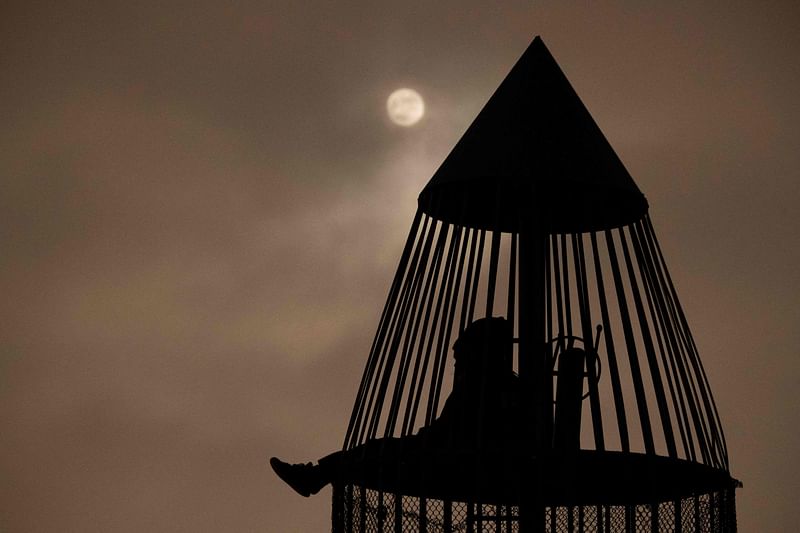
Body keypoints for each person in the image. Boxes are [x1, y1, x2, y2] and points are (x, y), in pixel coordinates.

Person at [270, 317, 521, 497]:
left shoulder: (478, 389)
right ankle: (315, 475)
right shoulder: (501, 386)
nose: (457, 367)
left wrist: (419, 444)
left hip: (453, 464)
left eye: (461, 359)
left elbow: (447, 435)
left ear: (478, 356)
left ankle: (315, 476)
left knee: (376, 452)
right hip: (453, 458)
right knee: (376, 450)